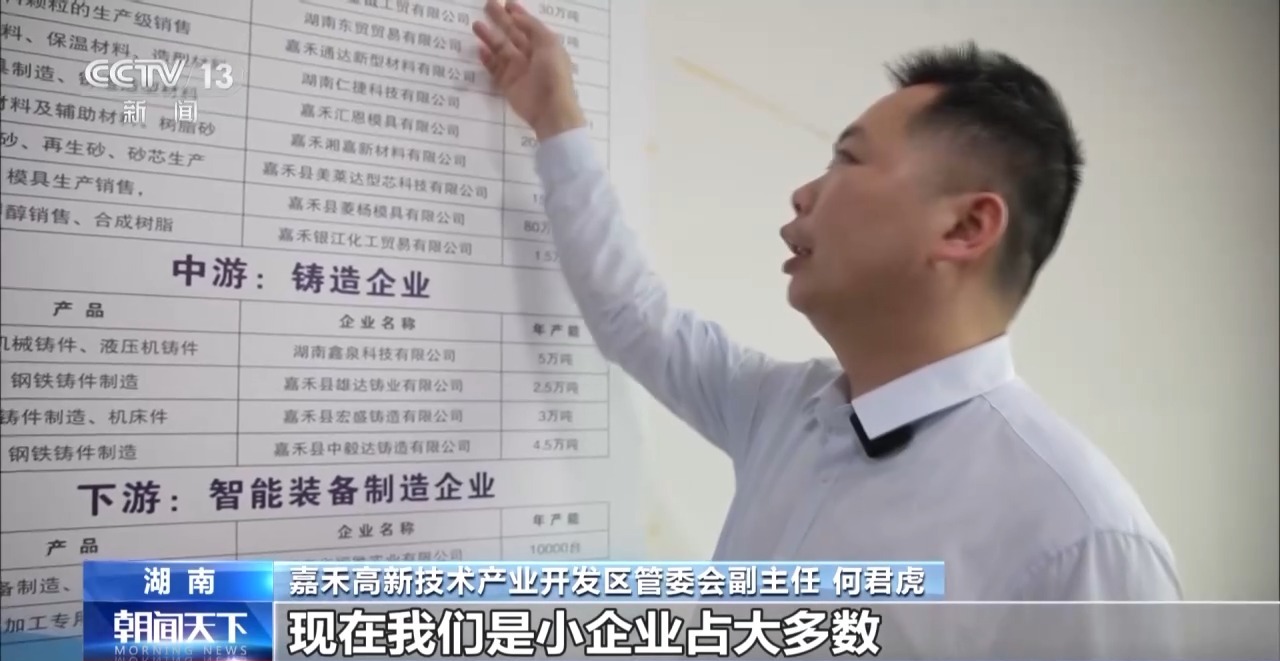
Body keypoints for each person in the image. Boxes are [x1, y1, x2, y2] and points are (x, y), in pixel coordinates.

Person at [471, 0, 1183, 607]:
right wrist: (556, 119)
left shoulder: (1084, 539)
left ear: (966, 227)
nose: (803, 193)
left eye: (848, 158)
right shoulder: (782, 411)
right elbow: (632, 316)